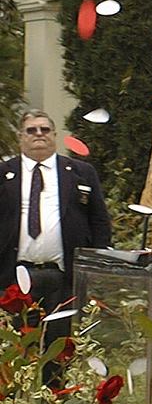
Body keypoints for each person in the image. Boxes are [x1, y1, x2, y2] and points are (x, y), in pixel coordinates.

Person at [0, 109, 112, 338]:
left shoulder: (81, 172)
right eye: (31, 130)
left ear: (54, 135)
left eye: (45, 129)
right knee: (15, 346)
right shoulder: (3, 173)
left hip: (64, 278)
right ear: (21, 136)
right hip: (12, 277)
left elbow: (99, 220)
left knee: (59, 345)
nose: (38, 134)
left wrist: (96, 269)